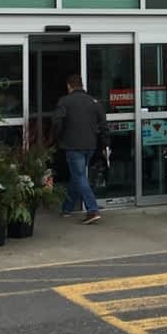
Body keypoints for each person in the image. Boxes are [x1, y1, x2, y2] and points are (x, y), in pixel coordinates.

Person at [52, 74, 109, 224]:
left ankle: (92, 210)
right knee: (77, 176)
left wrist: (57, 138)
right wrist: (104, 144)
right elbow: (103, 125)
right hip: (90, 145)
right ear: (82, 85)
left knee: (79, 176)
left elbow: (57, 122)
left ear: (69, 86)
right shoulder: (94, 101)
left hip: (73, 145)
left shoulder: (64, 101)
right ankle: (67, 208)